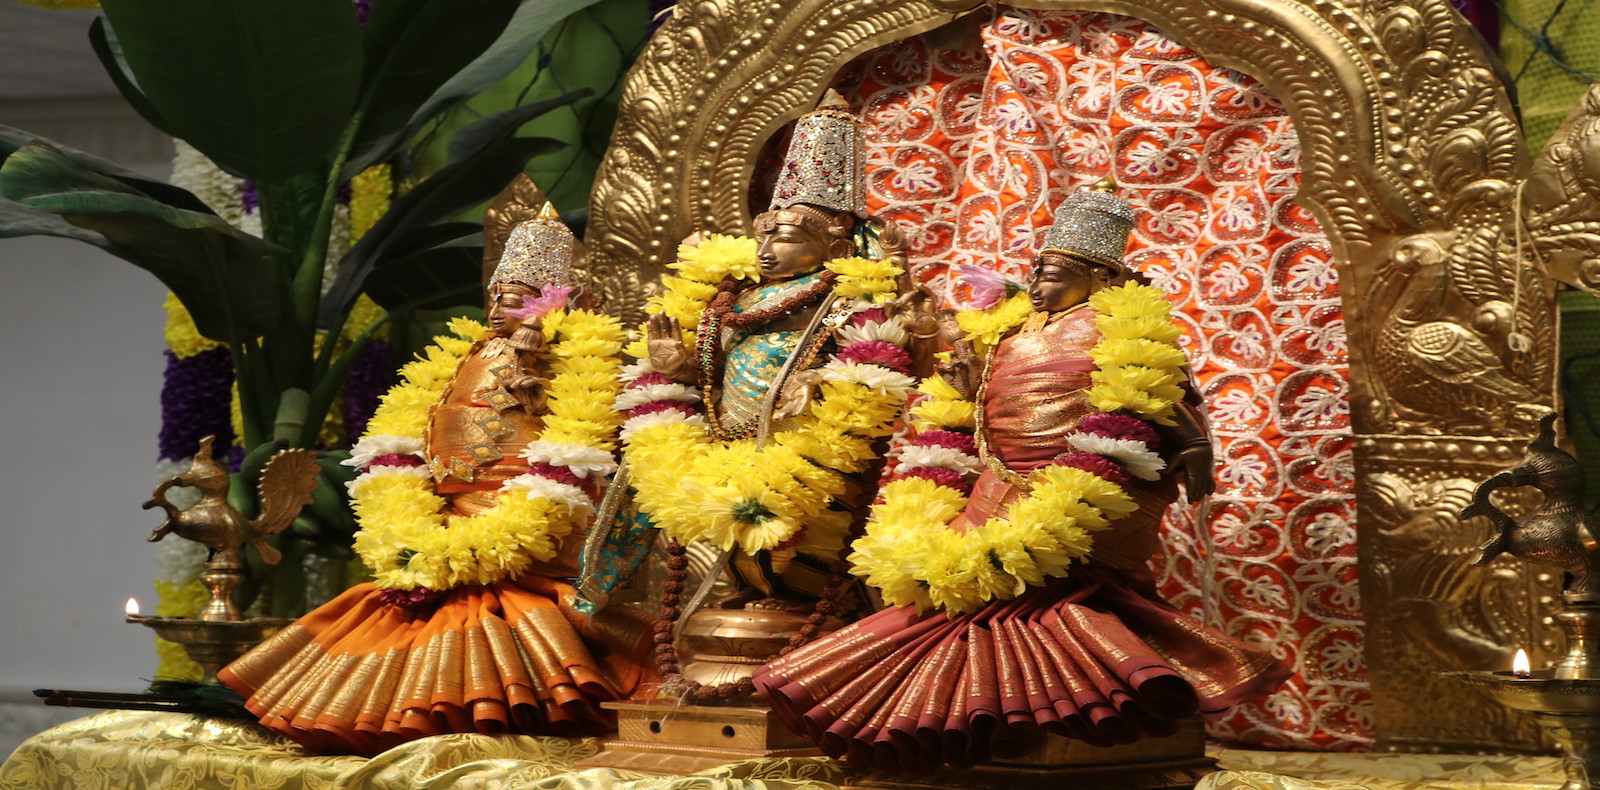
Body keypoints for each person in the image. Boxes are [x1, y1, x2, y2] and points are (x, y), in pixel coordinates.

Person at [752, 182, 1290, 772]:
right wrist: (932, 338)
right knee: (963, 597)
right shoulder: (1011, 327)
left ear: (1101, 279)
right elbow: (964, 385)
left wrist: (1193, 446)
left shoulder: (1122, 326)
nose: (1037, 282)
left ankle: (1079, 714)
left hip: (1079, 484)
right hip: (996, 482)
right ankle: (968, 725)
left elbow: (1165, 394)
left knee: (1054, 598)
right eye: (1036, 270)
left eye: (1055, 272)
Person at [220, 205, 653, 755]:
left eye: (516, 298)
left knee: (516, 613)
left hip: (524, 533)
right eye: (495, 295)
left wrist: (544, 389)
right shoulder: (466, 352)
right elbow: (419, 428)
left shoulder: (575, 359)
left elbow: (589, 448)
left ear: (554, 301)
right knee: (392, 610)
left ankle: (508, 709)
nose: (499, 308)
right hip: (440, 519)